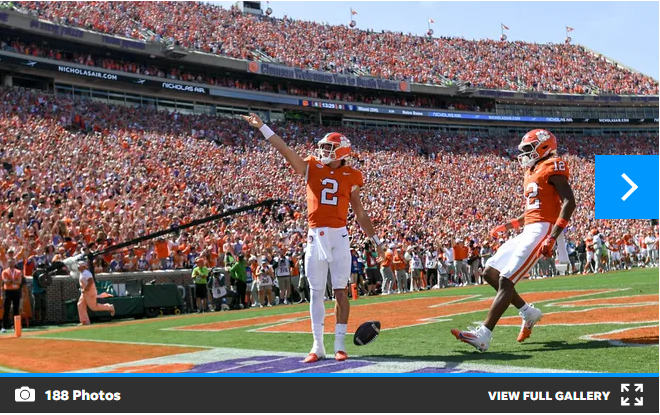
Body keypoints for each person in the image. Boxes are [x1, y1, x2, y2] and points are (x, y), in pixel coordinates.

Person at [243, 113, 383, 363]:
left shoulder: (352, 175)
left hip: (340, 235)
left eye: (329, 147)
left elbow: (359, 211)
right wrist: (262, 126)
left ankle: (339, 345)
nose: (323, 151)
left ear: (342, 151)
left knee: (340, 291)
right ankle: (318, 346)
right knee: (317, 291)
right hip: (315, 235)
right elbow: (285, 149)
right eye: (323, 147)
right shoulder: (311, 167)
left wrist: (376, 241)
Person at [452, 129, 575, 352]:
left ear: (544, 147)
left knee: (507, 280)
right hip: (529, 228)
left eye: (529, 149)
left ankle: (484, 334)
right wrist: (508, 225)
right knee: (490, 272)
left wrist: (553, 237)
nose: (525, 154)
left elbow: (569, 203)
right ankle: (528, 312)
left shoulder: (553, 165)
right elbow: (532, 211)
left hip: (543, 230)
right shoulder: (532, 170)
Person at [77, 260, 115, 326]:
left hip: (89, 292)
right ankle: (85, 321)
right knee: (80, 304)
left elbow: (91, 281)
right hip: (85, 292)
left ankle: (109, 307)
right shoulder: (82, 273)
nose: (78, 268)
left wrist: (86, 289)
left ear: (83, 267)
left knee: (93, 307)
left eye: (79, 266)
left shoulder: (86, 273)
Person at [1, 256, 23, 333]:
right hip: (8, 292)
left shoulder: (18, 271)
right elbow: (6, 281)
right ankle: (4, 326)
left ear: (15, 263)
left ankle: (16, 326)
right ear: (8, 263)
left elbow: (19, 282)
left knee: (16, 309)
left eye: (13, 262)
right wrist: (14, 281)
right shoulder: (4, 271)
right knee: (6, 309)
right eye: (10, 262)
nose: (11, 263)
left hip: (16, 291)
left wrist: (11, 281)